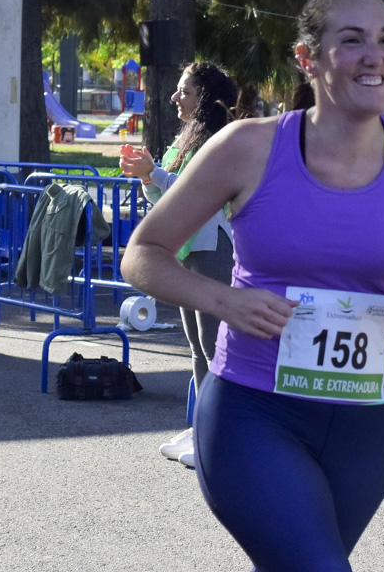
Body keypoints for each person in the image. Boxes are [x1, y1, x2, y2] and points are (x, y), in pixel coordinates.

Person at [120, 0, 384, 570]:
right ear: (307, 59)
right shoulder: (248, 147)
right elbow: (142, 253)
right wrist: (223, 301)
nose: (375, 56)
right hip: (254, 413)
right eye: (352, 40)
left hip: (366, 429)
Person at [119, 61, 238, 467]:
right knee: (197, 346)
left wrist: (154, 174)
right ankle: (205, 426)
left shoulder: (218, 141)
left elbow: (197, 196)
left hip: (213, 248)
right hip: (188, 249)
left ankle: (222, 434)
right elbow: (169, 200)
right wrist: (148, 176)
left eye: (185, 90)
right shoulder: (187, 138)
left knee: (214, 344)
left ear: (205, 97)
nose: (174, 98)